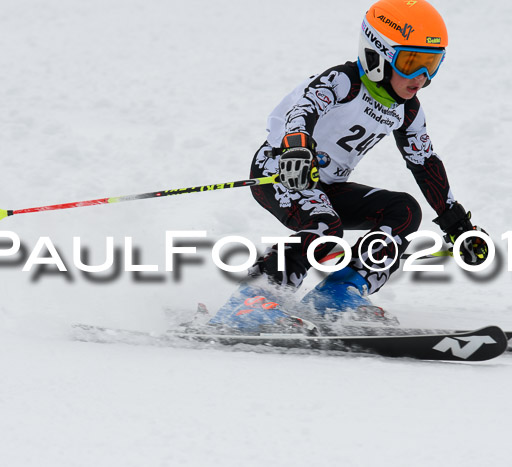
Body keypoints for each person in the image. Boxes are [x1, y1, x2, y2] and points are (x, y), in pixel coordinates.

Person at [208, 0, 488, 332]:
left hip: (327, 186)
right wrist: (296, 148)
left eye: (432, 64)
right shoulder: (344, 82)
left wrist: (457, 224)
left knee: (404, 211)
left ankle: (339, 293)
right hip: (281, 172)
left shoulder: (408, 110)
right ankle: (253, 301)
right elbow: (303, 111)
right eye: (411, 63)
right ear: (377, 56)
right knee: (325, 225)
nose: (422, 78)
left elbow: (424, 161)